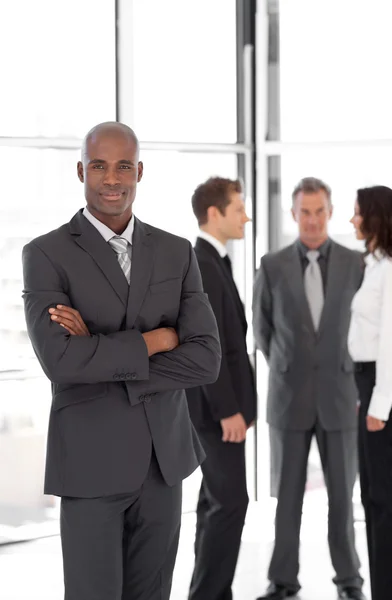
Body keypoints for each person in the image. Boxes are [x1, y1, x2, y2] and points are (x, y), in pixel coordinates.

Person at [21, 121, 221, 600]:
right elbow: (62, 362)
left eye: (123, 166)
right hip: (91, 464)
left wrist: (100, 349)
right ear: (81, 171)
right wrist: (156, 340)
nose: (112, 179)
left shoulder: (176, 252)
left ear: (140, 171)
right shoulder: (45, 254)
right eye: (99, 166)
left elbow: (206, 360)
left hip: (162, 463)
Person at [252, 177, 366, 600]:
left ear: (330, 213)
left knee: (342, 500)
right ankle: (282, 582)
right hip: (288, 399)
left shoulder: (357, 264)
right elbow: (262, 329)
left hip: (341, 398)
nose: (313, 220)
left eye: (320, 212)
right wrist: (285, 366)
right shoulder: (273, 264)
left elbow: (366, 329)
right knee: (287, 500)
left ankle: (349, 581)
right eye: (305, 212)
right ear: (294, 214)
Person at [186, 177, 257, 600]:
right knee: (231, 504)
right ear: (214, 214)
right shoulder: (204, 264)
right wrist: (229, 408)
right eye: (238, 208)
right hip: (218, 413)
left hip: (218, 410)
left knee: (214, 503)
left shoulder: (214, 261)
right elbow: (209, 348)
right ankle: (209, 595)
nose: (245, 216)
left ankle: (209, 593)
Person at [348, 185, 392, 600]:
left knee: (382, 500)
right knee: (374, 499)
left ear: (375, 216)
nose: (352, 220)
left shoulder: (390, 268)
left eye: (358, 213)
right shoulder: (374, 264)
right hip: (367, 384)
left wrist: (379, 405)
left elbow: (390, 344)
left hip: (381, 391)